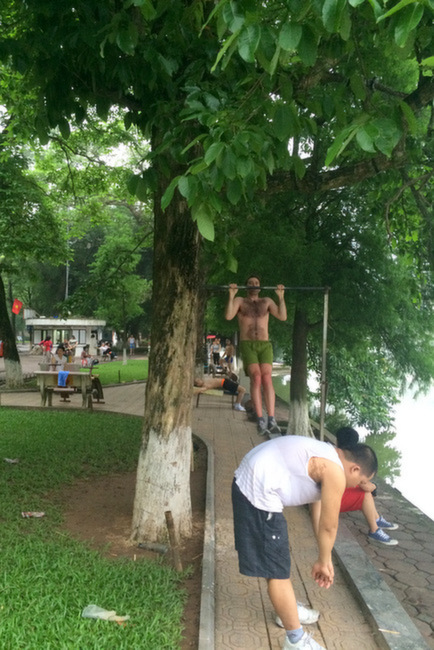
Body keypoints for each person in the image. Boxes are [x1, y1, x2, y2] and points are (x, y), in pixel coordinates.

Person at [232, 435, 378, 650]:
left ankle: (287, 609)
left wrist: (323, 555)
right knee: (277, 569)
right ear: (355, 469)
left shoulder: (329, 455)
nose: (359, 486)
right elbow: (330, 525)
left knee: (273, 561)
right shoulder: (335, 472)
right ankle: (295, 639)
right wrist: (324, 560)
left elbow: (318, 515)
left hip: (251, 479)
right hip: (257, 491)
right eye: (362, 482)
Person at [311, 427, 398, 547]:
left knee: (363, 491)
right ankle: (374, 528)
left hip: (320, 494)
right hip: (328, 496)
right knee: (364, 493)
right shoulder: (347, 462)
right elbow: (366, 487)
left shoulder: (334, 453)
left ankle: (376, 520)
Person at [225, 275, 287, 436]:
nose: (254, 285)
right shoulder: (240, 301)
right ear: (246, 287)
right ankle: (260, 418)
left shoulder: (266, 301)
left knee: (266, 378)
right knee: (256, 377)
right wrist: (231, 295)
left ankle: (271, 418)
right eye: (250, 283)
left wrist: (281, 298)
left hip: (265, 345)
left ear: (260, 287)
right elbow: (228, 316)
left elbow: (282, 316)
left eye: (257, 283)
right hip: (248, 345)